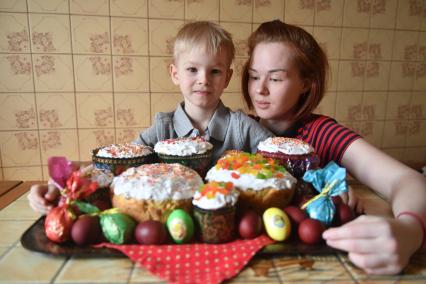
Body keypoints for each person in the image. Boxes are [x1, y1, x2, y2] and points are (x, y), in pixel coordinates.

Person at [28, 21, 273, 215]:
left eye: (215, 71)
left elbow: (282, 163)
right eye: (192, 69)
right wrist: (60, 185)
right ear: (175, 73)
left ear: (227, 78)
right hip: (164, 228)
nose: (204, 79)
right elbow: (113, 168)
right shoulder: (162, 128)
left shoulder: (242, 128)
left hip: (227, 229)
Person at [241, 19, 426, 275]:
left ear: (305, 83)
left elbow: (407, 180)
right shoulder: (237, 131)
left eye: (275, 78)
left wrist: (410, 230)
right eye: (253, 76)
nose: (260, 89)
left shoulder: (321, 133)